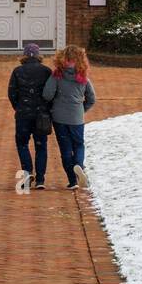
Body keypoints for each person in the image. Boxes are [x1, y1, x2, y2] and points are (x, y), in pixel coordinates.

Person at [42, 44, 96, 190]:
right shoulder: (83, 77)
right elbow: (91, 98)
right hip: (76, 117)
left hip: (59, 117)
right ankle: (78, 164)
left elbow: (47, 94)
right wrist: (81, 109)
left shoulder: (57, 75)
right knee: (78, 144)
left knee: (65, 148)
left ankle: (73, 181)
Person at [7, 42, 52, 190]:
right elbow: (50, 93)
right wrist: (46, 108)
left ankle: (27, 174)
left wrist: (19, 106)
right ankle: (40, 179)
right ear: (39, 55)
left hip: (23, 114)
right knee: (41, 146)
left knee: (22, 144)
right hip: (41, 115)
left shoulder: (18, 71)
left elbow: (12, 93)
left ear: (25, 55)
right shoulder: (46, 71)